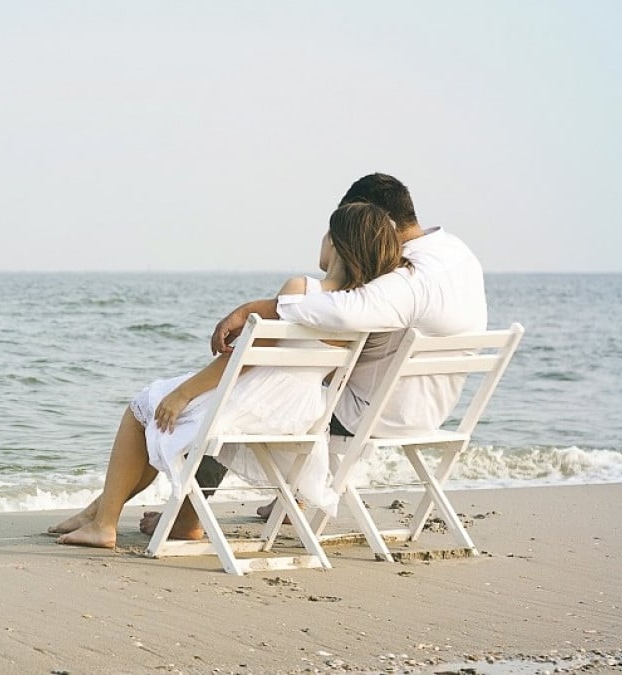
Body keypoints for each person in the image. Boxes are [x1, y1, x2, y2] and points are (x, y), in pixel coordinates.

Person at [139, 173, 487, 540]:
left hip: (372, 414)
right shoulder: (456, 253)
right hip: (430, 409)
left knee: (242, 395)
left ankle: (189, 517)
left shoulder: (408, 278)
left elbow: (338, 310)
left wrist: (257, 309)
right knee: (305, 370)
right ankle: (293, 499)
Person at [49, 201, 411, 548]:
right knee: (161, 416)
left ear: (335, 242)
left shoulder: (302, 288)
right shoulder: (363, 311)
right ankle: (98, 511)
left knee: (145, 406)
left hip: (252, 402)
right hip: (296, 415)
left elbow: (247, 359)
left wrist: (184, 393)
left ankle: (104, 523)